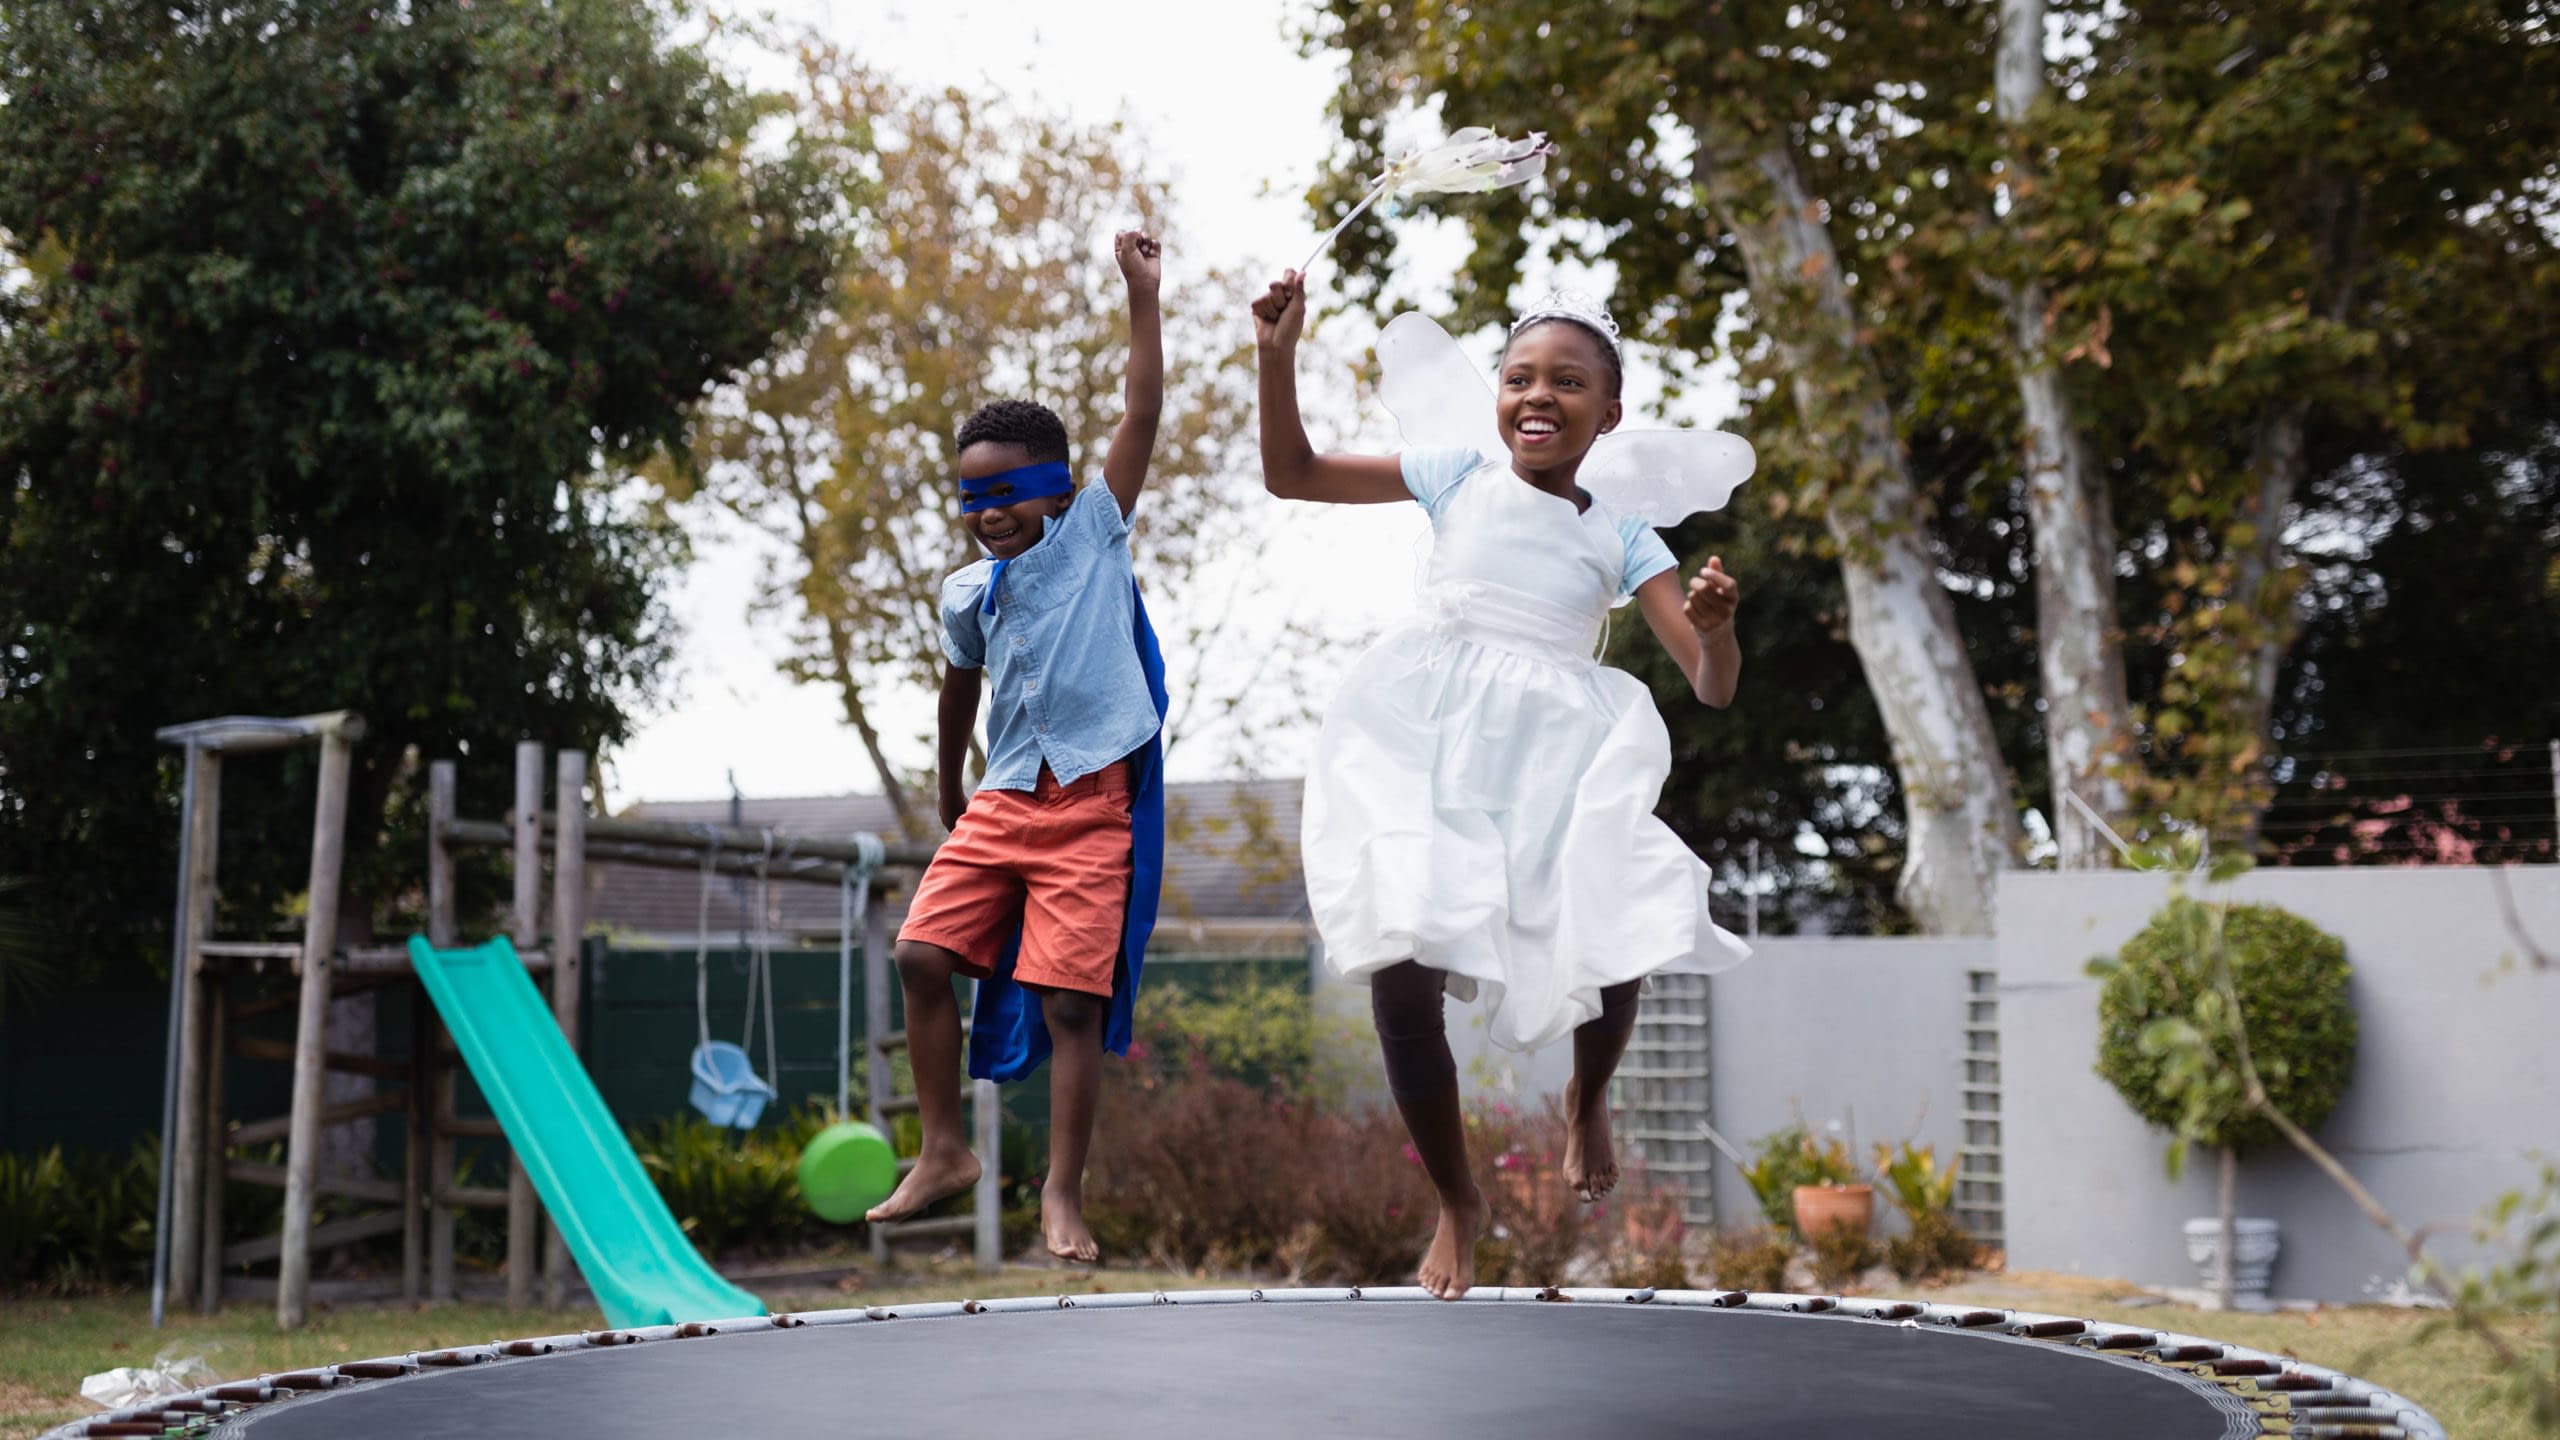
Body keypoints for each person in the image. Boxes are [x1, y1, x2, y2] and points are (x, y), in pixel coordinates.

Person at [1251, 272, 1753, 1299]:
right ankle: (1456, 1201)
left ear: (1606, 414)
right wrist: (1275, 355)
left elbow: (1709, 688)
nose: (1537, 396)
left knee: (1619, 918)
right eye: (1520, 376)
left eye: (1567, 382)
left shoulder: (1622, 534)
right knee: (1401, 967)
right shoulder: (1454, 475)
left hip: (1557, 752)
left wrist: (1715, 632)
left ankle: (1587, 1095)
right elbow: (1293, 473)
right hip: (1424, 740)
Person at [864, 231, 1167, 1264]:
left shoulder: (1092, 533)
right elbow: (959, 690)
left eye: (1005, 493)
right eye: (970, 498)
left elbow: (1139, 412)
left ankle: (1062, 1193)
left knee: (1072, 1003)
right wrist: (948, 787)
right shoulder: (965, 590)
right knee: (918, 952)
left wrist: (1140, 297)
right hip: (1003, 798)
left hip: (1090, 800)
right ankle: (944, 1147)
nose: (987, 514)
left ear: (1056, 487)